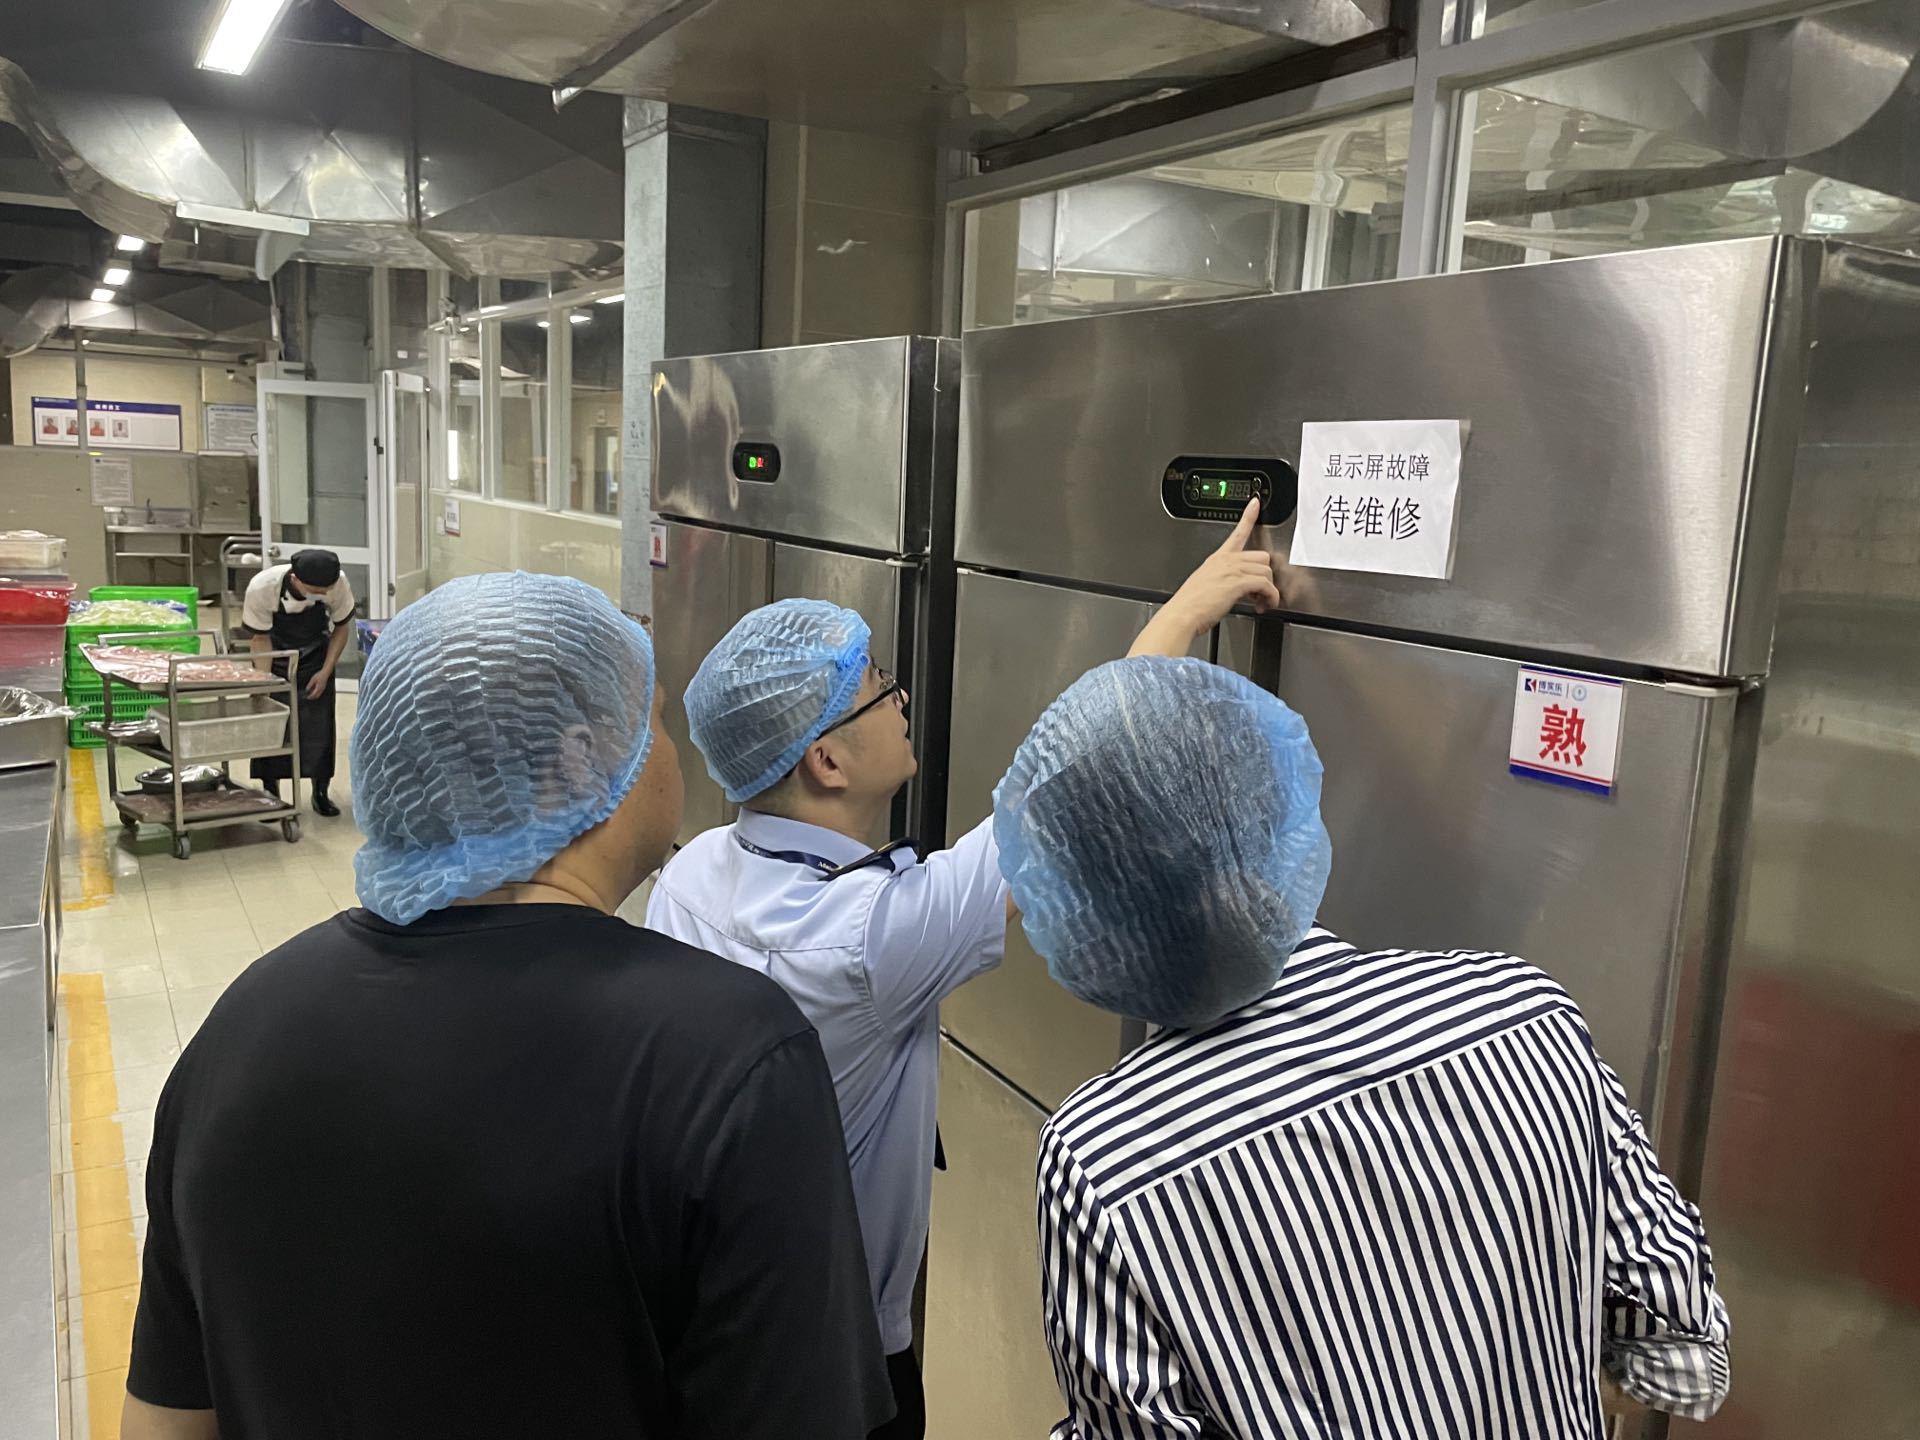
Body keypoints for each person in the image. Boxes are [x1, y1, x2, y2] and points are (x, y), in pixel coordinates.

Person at [123, 571, 893, 1440]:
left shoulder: (243, 1028)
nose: (673, 754)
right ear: (577, 759)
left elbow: (165, 1422)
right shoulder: (732, 1058)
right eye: (656, 722)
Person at [647, 502, 1281, 1440]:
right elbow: (1067, 784)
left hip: (715, 1312)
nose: (901, 699)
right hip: (828, 1360)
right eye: (878, 690)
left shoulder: (701, 866)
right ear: (827, 760)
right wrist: (1185, 612)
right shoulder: (864, 941)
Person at [995, 656, 1732, 1440]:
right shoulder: (1528, 1017)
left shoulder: (1103, 1158)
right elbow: (1680, 1355)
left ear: (1076, 899)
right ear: (1277, 803)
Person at [243, 547, 353, 816]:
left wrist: (326, 671)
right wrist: (265, 685)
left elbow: (341, 628)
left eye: (326, 590)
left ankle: (320, 792)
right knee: (273, 725)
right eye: (316, 591)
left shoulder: (337, 582)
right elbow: (260, 639)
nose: (322, 595)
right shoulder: (263, 588)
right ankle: (270, 792)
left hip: (316, 655)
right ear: (295, 579)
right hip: (274, 655)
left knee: (320, 727)